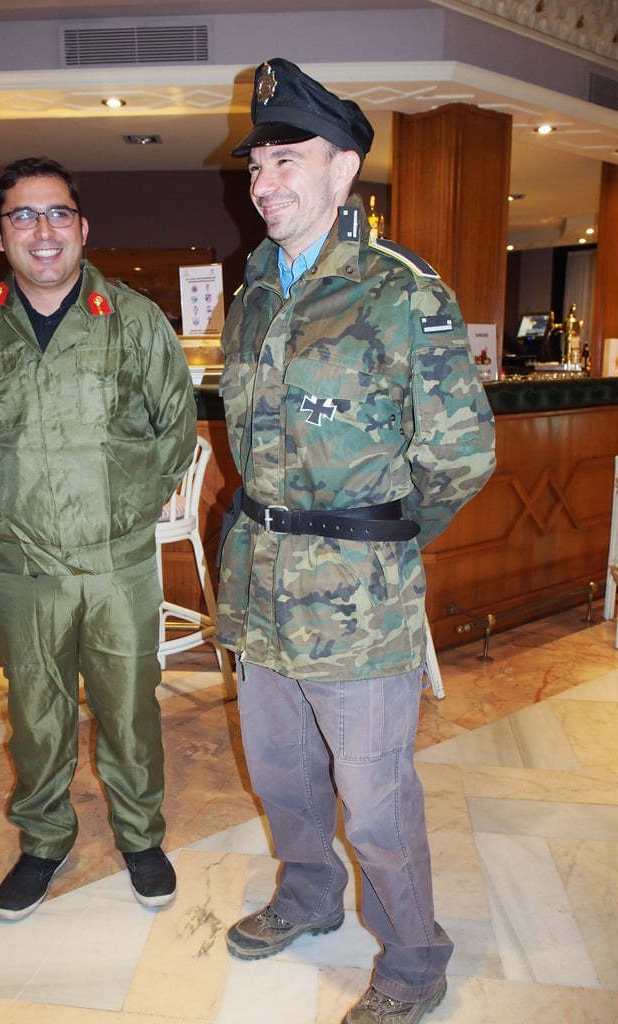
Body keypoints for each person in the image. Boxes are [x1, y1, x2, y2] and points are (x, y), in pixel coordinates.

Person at [216, 60, 496, 1024]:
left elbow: (461, 454)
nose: (264, 183)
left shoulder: (402, 292)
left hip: (357, 603)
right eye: (256, 165)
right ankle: (307, 897)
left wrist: (378, 540)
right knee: (282, 774)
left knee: (375, 802)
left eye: (286, 160)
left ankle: (415, 963)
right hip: (261, 586)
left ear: (343, 169)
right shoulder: (254, 291)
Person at [0, 156, 197, 921]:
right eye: (23, 215)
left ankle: (141, 837)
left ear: (82, 228)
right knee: (36, 711)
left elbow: (176, 430)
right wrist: (7, 511)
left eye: (56, 214)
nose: (42, 230)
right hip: (20, 565)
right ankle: (44, 839)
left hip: (116, 563)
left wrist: (126, 511)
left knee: (130, 709)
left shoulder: (135, 319)